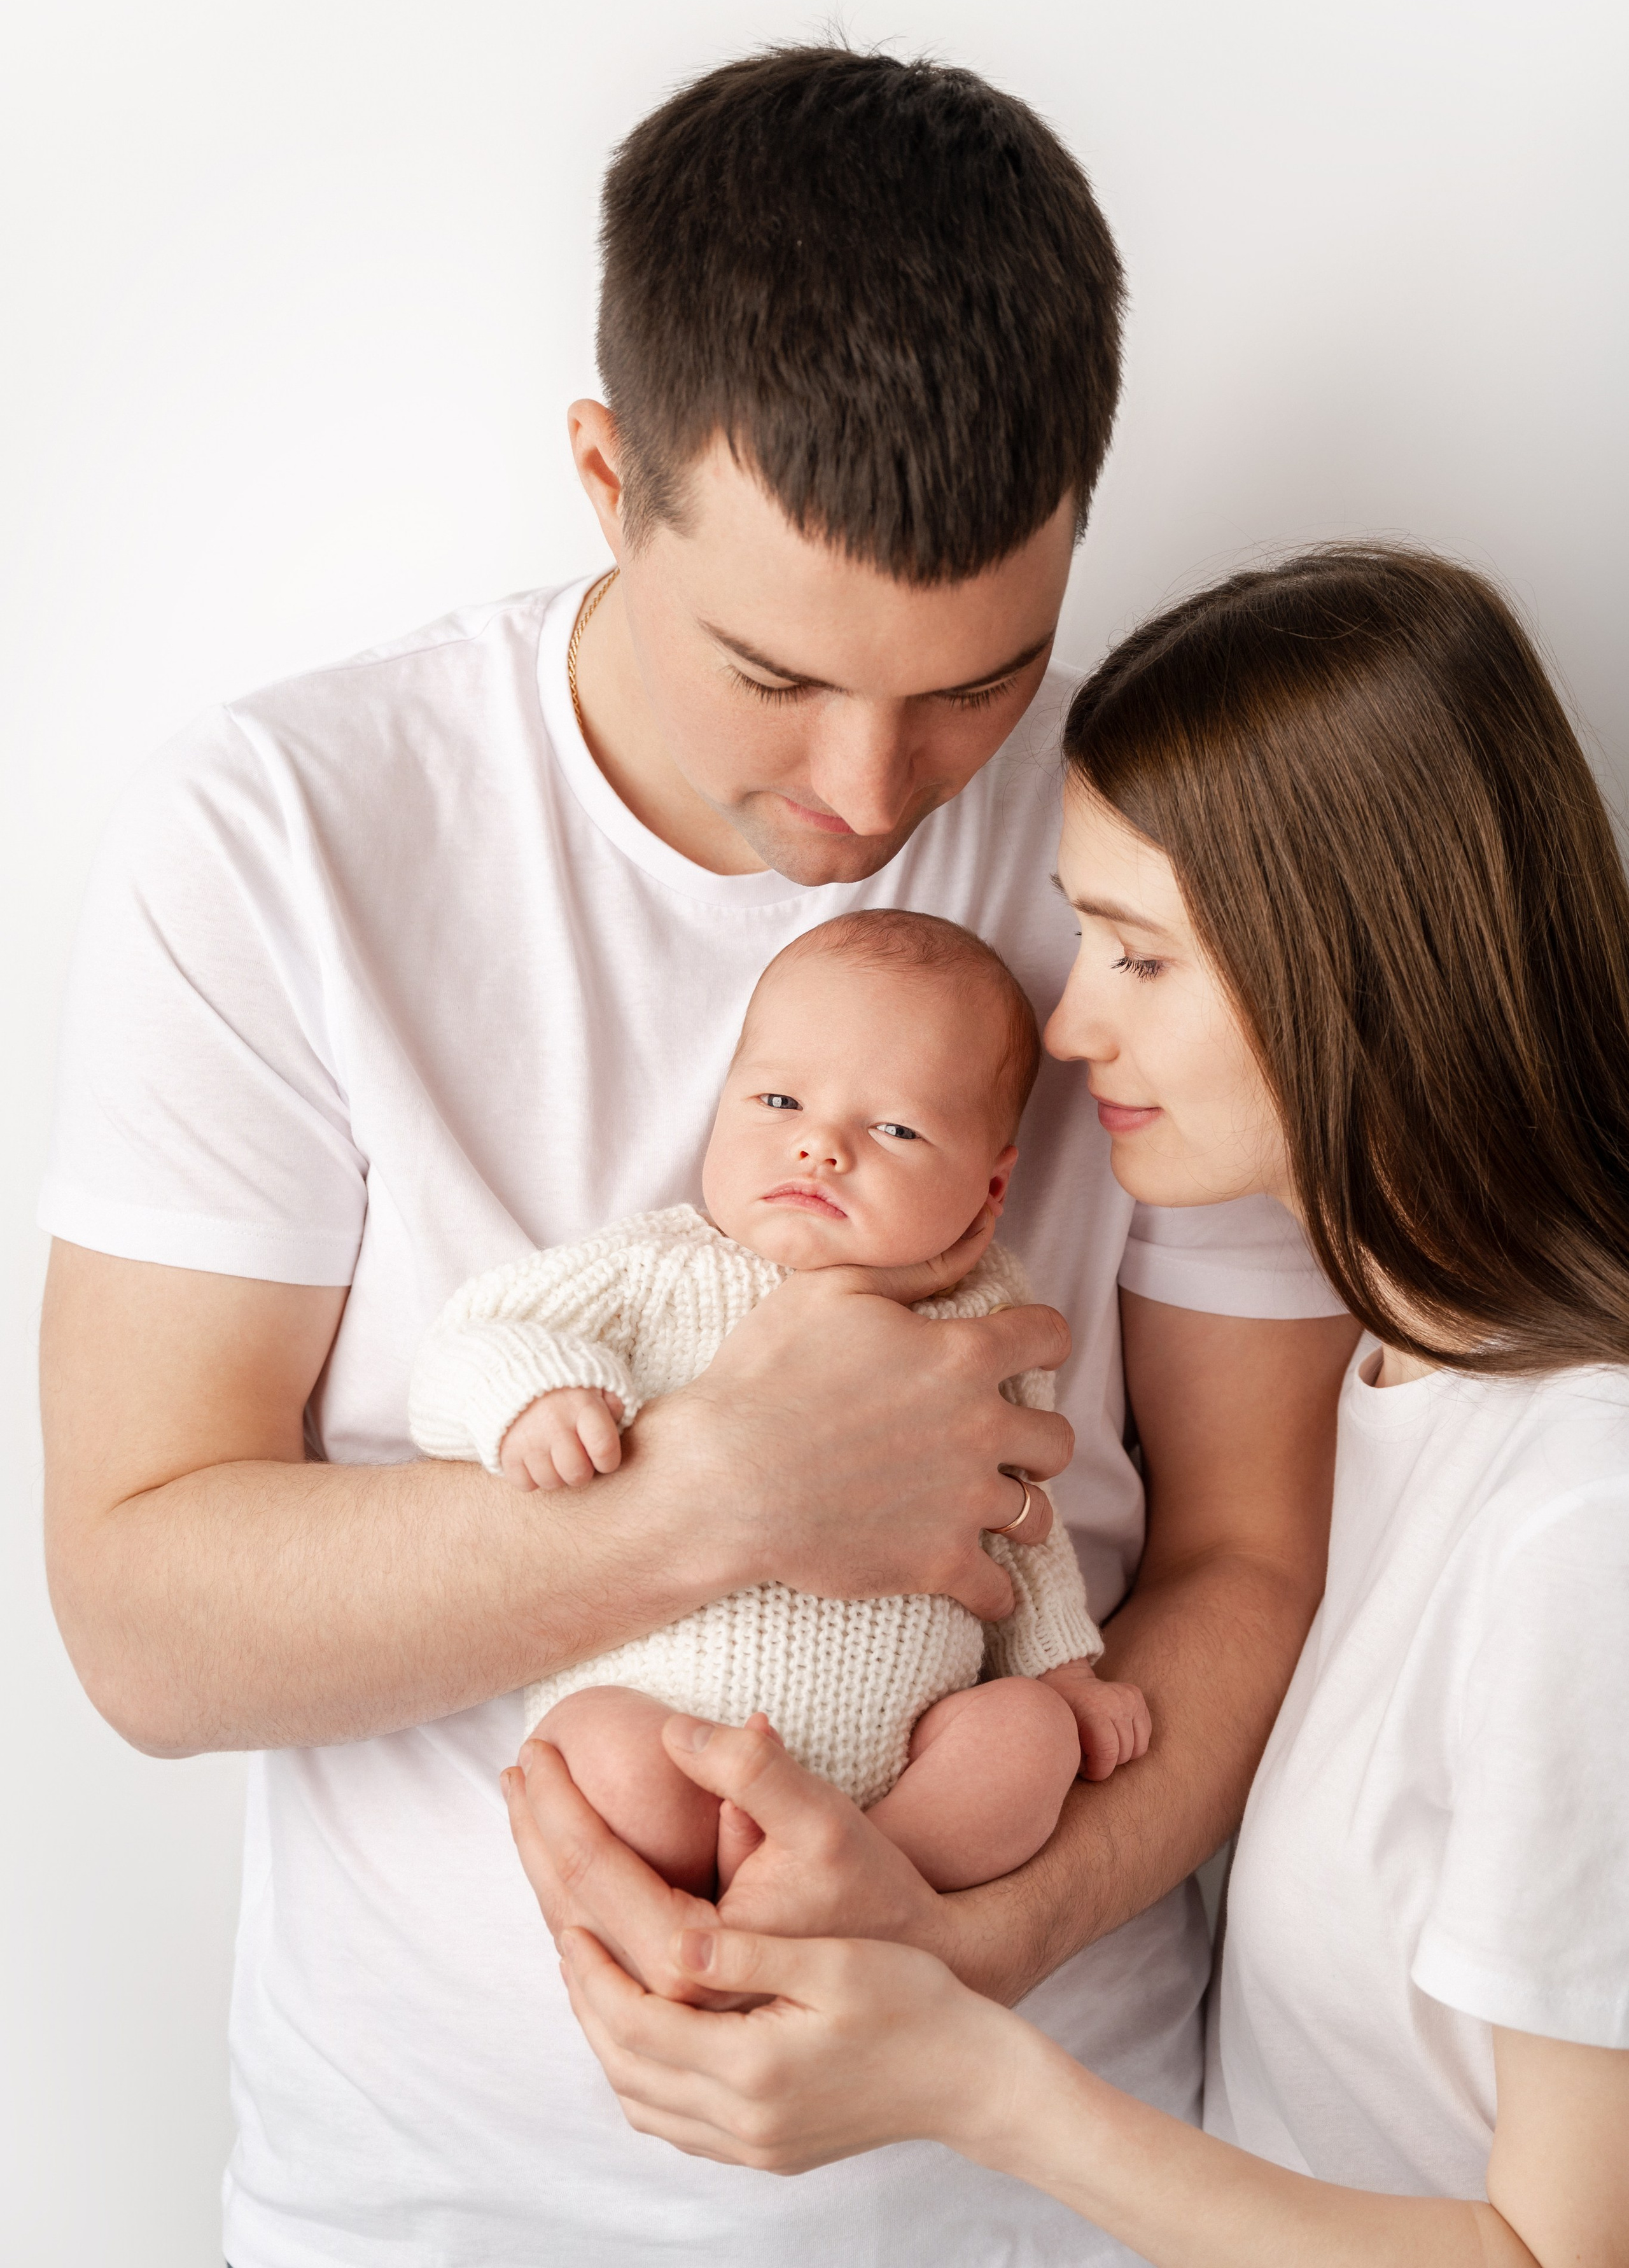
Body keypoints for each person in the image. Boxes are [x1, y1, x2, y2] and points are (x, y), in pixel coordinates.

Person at [38, 48, 1353, 2266]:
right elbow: (144, 1624)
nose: (867, 792)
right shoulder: (279, 843)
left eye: (974, 685)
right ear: (602, 475)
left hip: (1040, 2192)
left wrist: (976, 1950)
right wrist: (719, 1504)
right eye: (776, 675)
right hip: (433, 2218)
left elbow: (1253, 1560)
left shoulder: (1158, 859)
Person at [527, 546, 1629, 2265]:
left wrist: (971, 2079)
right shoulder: (1396, 1389)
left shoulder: (1584, 1519)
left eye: (1134, 957)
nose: (1060, 1026)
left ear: (1351, 963)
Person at [409, 909, 1149, 1900]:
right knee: (595, 1747)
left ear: (989, 1189)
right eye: (778, 1099)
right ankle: (717, 1874)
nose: (819, 1148)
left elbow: (1022, 1523)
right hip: (666, 1730)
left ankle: (863, 1882)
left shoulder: (984, 1320)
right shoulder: (655, 1268)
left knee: (1026, 1741)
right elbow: (464, 1343)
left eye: (895, 1128)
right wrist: (531, 1395)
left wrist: (1061, 1670)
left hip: (898, 1770)